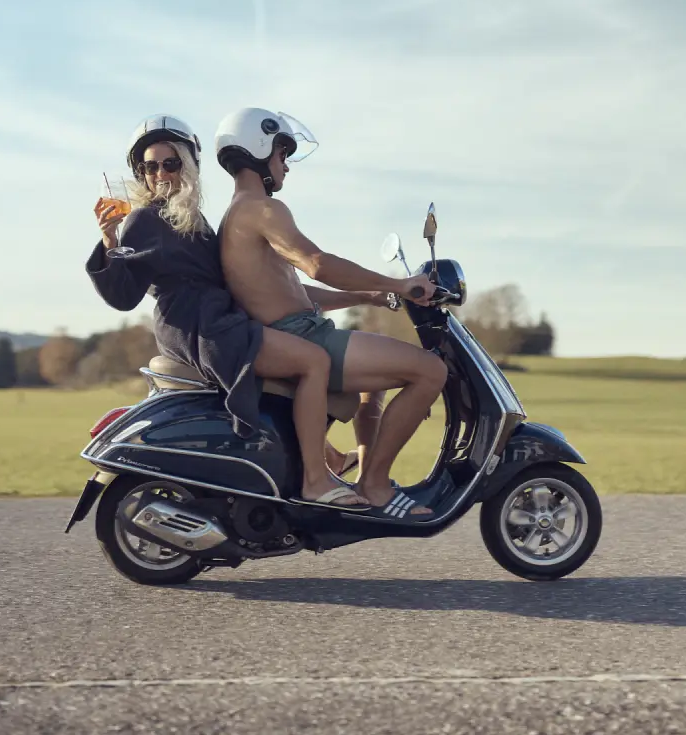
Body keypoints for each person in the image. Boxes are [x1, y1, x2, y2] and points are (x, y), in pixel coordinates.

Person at [87, 115, 369, 510]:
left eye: (170, 163)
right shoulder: (144, 219)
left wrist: (365, 297)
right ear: (142, 174)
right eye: (150, 167)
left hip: (221, 318)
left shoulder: (193, 219)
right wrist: (109, 241)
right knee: (312, 361)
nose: (160, 174)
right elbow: (122, 296)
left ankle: (326, 461)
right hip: (198, 326)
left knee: (294, 365)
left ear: (187, 165)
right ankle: (316, 481)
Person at [213, 108, 450, 517]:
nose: (285, 164)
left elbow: (295, 291)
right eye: (282, 153)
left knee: (374, 385)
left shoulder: (238, 215)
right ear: (259, 148)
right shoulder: (264, 209)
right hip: (302, 336)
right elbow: (317, 264)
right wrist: (398, 283)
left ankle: (360, 474)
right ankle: (375, 485)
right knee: (430, 371)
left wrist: (370, 296)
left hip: (297, 328)